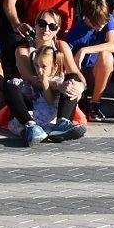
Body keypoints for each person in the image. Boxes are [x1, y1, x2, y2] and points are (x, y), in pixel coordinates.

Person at [7, 10, 87, 145]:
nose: (46, 29)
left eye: (52, 26)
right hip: (35, 98)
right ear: (35, 25)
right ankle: (30, 125)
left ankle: (62, 123)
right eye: (42, 24)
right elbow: (31, 79)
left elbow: (76, 72)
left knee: (73, 78)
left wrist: (81, 86)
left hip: (58, 101)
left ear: (57, 29)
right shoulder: (23, 50)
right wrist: (58, 85)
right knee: (10, 85)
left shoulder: (61, 45)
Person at [66, 0, 114, 119]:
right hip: (81, 74)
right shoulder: (76, 32)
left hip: (97, 71)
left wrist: (84, 50)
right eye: (96, 24)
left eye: (103, 23)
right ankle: (82, 98)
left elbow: (113, 45)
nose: (100, 27)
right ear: (87, 18)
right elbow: (67, 59)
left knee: (107, 57)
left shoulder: (108, 19)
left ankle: (95, 104)